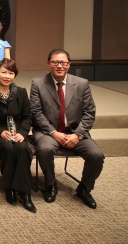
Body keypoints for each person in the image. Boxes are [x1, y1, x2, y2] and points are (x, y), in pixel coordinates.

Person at [30, 49, 105, 209]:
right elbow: (36, 113)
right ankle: (50, 184)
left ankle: (84, 188)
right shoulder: (38, 83)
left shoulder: (81, 83)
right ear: (49, 63)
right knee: (45, 149)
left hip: (75, 132)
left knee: (97, 155)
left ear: (69, 65)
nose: (59, 66)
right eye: (55, 62)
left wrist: (78, 135)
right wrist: (53, 133)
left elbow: (89, 113)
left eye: (63, 62)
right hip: (48, 131)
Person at [0, 58, 36, 212]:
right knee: (8, 149)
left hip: (16, 132)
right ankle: (9, 188)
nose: (7, 76)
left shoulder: (21, 92)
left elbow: (27, 117)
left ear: (15, 75)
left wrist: (22, 133)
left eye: (11, 73)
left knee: (23, 149)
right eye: (3, 72)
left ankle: (25, 192)